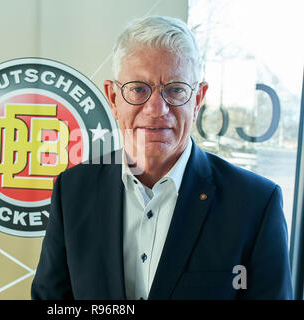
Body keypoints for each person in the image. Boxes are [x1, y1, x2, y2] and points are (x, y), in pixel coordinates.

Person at [31, 15, 293, 300]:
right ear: (113, 97)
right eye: (139, 89)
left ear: (198, 99)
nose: (157, 109)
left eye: (175, 90)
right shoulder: (73, 190)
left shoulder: (255, 203)